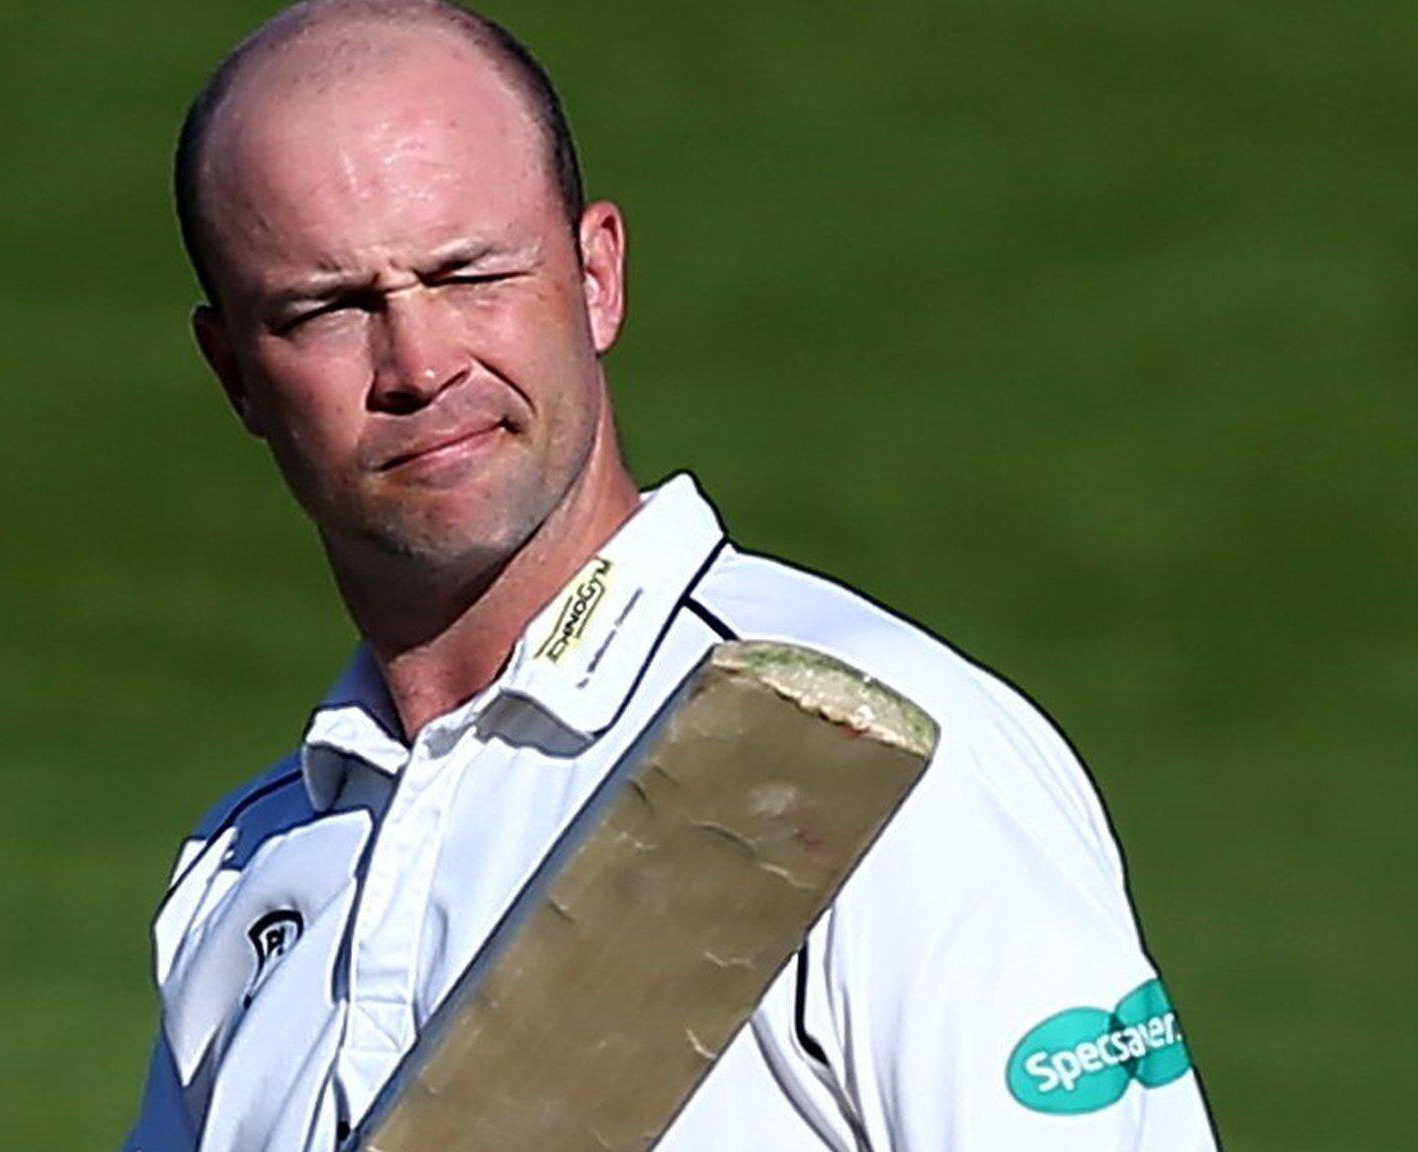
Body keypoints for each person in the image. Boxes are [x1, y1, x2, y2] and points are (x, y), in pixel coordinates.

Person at [124, 2, 1220, 1148]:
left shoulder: (857, 753)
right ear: (233, 374)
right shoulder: (247, 864)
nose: (420, 364)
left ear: (596, 276)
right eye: (329, 310)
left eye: (470, 275)